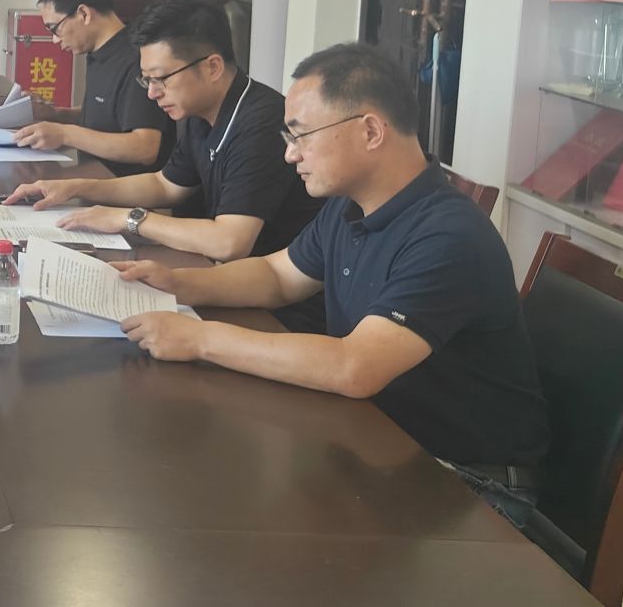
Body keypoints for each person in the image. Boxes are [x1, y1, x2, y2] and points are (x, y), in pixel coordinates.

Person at [111, 42, 555, 543]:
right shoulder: (352, 205)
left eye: (300, 135)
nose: (289, 154)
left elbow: (354, 367)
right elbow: (279, 275)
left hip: (469, 482)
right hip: (381, 439)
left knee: (251, 525)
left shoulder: (447, 235)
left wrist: (198, 338)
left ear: (370, 131)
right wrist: (178, 283)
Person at [6, 0, 321, 262]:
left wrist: (127, 219)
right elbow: (164, 185)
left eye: (161, 79)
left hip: (271, 297)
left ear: (212, 67)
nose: (152, 93)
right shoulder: (200, 111)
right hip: (223, 272)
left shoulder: (261, 124)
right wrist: (75, 187)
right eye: (147, 80)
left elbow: (229, 242)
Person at [10, 0, 175, 176]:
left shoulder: (137, 59)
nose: (55, 40)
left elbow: (144, 147)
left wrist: (64, 134)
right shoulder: (99, 54)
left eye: (55, 28)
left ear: (84, 14)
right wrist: (57, 115)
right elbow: (108, 116)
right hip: (96, 177)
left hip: (127, 189)